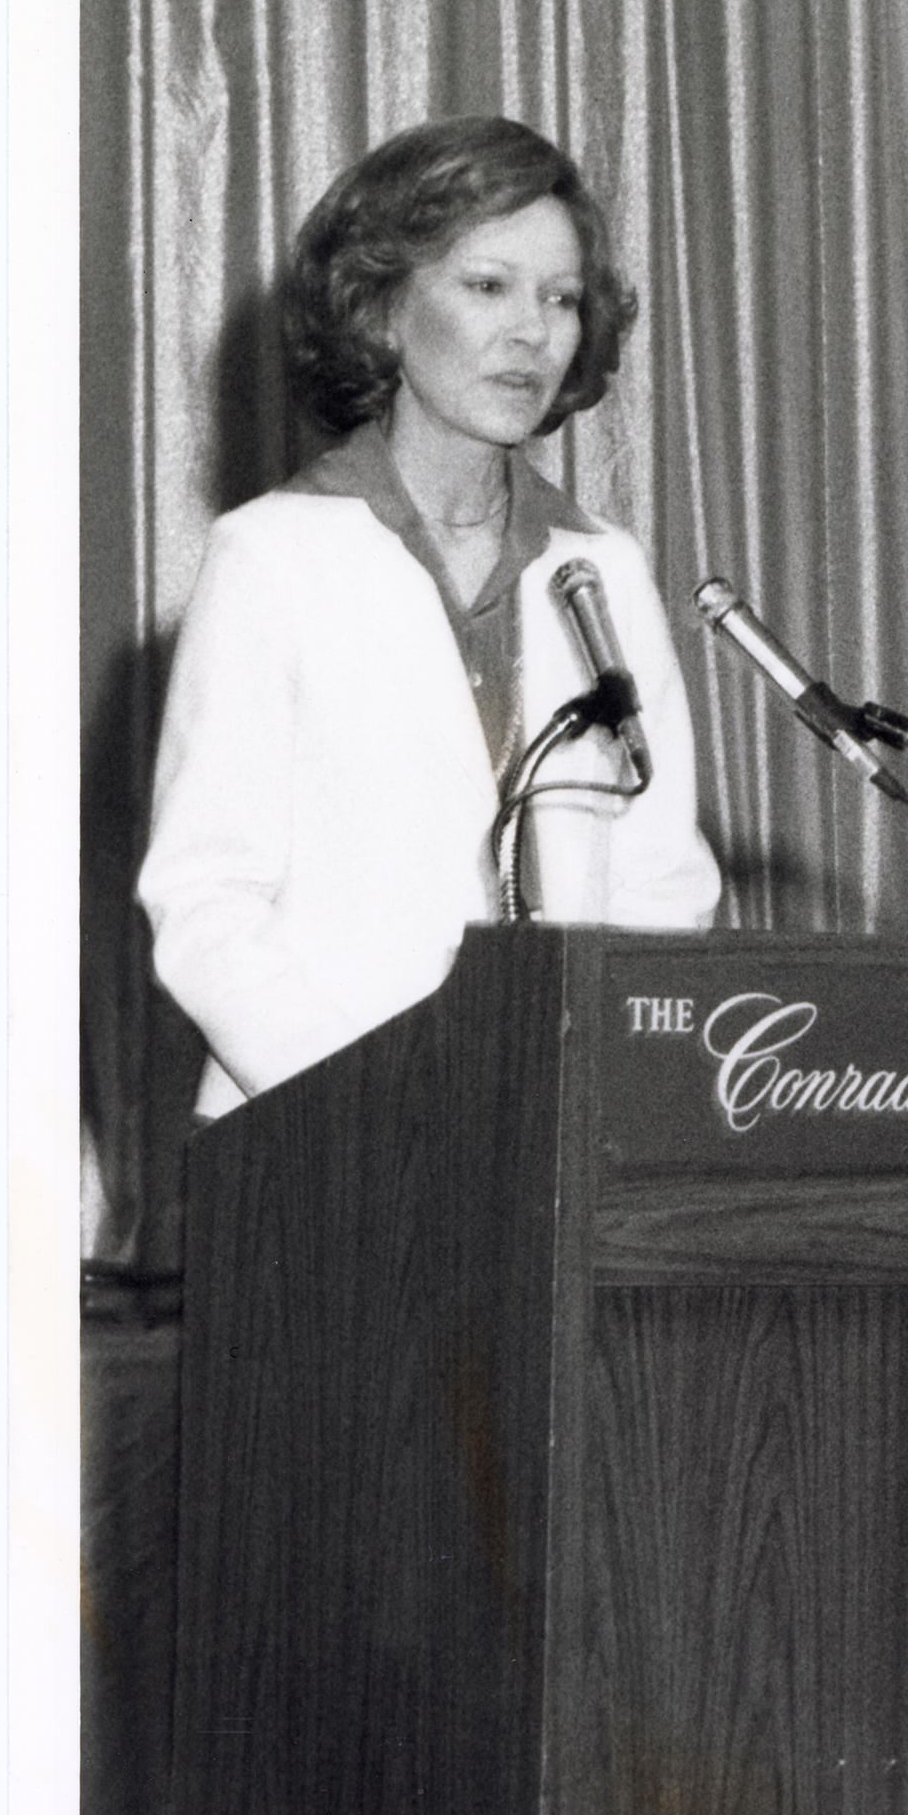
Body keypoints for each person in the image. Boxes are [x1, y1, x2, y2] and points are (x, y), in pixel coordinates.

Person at [139, 116, 721, 1119]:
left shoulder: (606, 571)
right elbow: (204, 905)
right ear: (383, 306)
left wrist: (605, 1099)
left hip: (560, 1143)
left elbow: (661, 891)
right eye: (489, 286)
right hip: (318, 1140)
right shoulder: (271, 558)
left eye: (561, 298)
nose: (532, 332)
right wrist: (380, 1104)